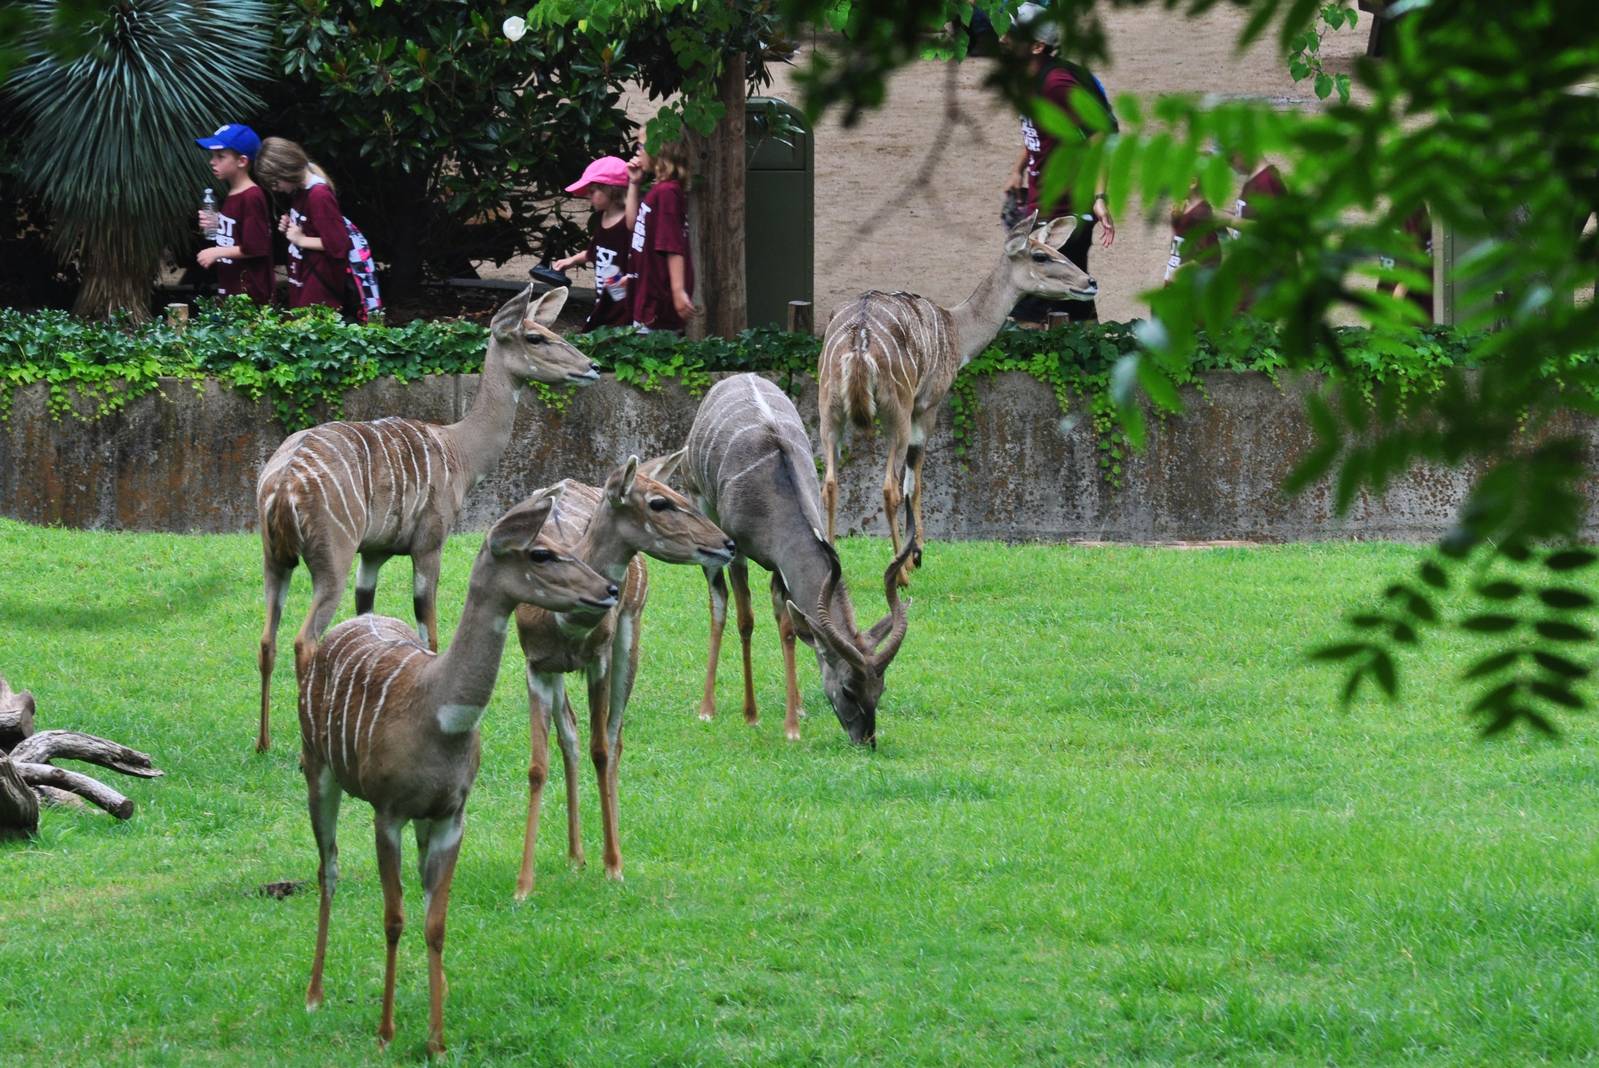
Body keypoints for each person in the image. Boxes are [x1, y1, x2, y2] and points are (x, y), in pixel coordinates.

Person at [1002, 1, 1115, 324]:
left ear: (1037, 46)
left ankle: (1024, 374)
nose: (1003, 40)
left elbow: (1099, 134)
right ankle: (1090, 364)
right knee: (1075, 301)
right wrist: (1018, 169)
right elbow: (1041, 133)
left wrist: (1099, 198)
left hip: (1067, 207)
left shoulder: (1055, 84)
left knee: (1028, 302)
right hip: (1045, 201)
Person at [252, 137, 353, 311]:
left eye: (274, 182)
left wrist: (300, 239)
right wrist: (291, 227)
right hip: (303, 280)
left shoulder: (319, 195)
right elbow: (312, 229)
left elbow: (339, 245)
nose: (274, 189)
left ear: (286, 171)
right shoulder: (301, 192)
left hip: (319, 289)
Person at [192, 124, 273, 304]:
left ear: (242, 161)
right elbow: (240, 229)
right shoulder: (234, 192)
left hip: (250, 296)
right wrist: (217, 222)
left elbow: (256, 247)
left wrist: (216, 252)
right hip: (232, 290)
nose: (212, 161)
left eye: (220, 156)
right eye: (212, 156)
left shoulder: (252, 196)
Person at [551, 156, 633, 331]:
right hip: (604, 297)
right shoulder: (603, 218)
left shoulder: (628, 223)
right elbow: (595, 250)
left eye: (593, 191)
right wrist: (571, 260)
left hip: (624, 302)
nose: (588, 196)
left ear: (611, 190)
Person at [625, 133, 695, 333]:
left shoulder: (667, 193)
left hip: (658, 300)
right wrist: (634, 183)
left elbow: (672, 246)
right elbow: (632, 223)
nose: (638, 151)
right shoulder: (658, 191)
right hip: (646, 292)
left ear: (660, 149)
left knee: (653, 358)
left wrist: (678, 291)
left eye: (641, 145)